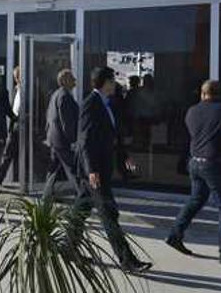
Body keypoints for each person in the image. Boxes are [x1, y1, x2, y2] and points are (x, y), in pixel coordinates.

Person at [165, 80, 221, 267]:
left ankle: (175, 234)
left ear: (202, 94)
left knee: (196, 200)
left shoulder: (192, 111)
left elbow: (201, 134)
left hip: (195, 163)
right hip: (215, 166)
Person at [71, 67, 151, 274]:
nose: (115, 84)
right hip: (94, 170)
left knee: (81, 210)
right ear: (105, 82)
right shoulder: (90, 104)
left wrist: (125, 156)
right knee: (108, 213)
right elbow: (84, 140)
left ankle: (67, 247)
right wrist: (91, 170)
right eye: (112, 80)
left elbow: (112, 136)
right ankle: (128, 261)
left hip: (98, 168)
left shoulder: (108, 104)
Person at [42, 69, 80, 200]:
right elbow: (66, 122)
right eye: (72, 78)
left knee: (53, 169)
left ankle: (47, 195)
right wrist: (73, 140)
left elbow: (49, 116)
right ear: (65, 81)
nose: (75, 81)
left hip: (54, 139)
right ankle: (82, 194)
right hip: (61, 141)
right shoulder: (64, 96)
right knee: (72, 168)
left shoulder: (56, 94)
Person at [0, 66, 22, 185]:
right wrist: (14, 119)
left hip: (26, 126)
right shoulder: (16, 90)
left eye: (18, 76)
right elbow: (12, 109)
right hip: (15, 125)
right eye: (15, 77)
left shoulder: (31, 89)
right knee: (8, 152)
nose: (16, 79)